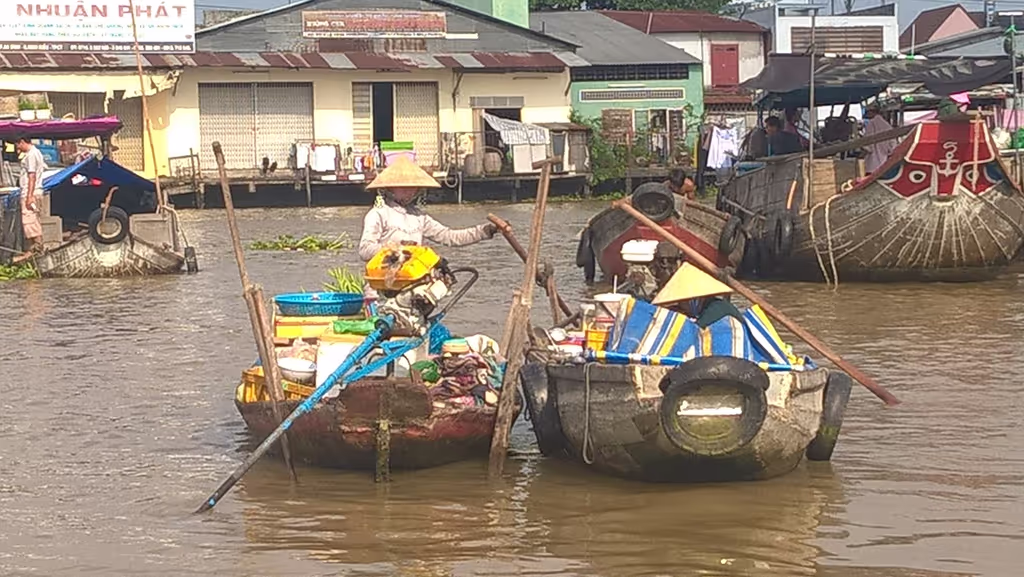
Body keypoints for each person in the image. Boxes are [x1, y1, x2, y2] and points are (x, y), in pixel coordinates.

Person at [358, 155, 500, 271]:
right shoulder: (379, 214)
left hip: (411, 280)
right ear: (390, 188)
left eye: (413, 187)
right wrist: (395, 249)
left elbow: (450, 237)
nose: (409, 191)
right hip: (383, 283)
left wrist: (485, 231)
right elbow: (365, 250)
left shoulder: (419, 217)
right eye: (403, 187)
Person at [651, 262, 743, 329]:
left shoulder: (716, 308)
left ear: (694, 300)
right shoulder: (707, 307)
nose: (681, 306)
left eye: (683, 302)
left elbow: (695, 330)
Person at [15, 135, 45, 255]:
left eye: (17, 144)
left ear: (22, 141)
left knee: (30, 222)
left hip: (30, 192)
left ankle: (37, 249)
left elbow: (31, 176)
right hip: (32, 191)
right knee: (33, 221)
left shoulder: (32, 155)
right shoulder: (35, 153)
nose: (17, 147)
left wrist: (29, 196)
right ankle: (33, 250)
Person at [862, 104, 898, 174]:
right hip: (884, 162)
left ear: (871, 112)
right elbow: (893, 146)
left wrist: (861, 155)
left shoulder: (871, 124)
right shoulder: (887, 125)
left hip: (872, 164)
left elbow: (868, 146)